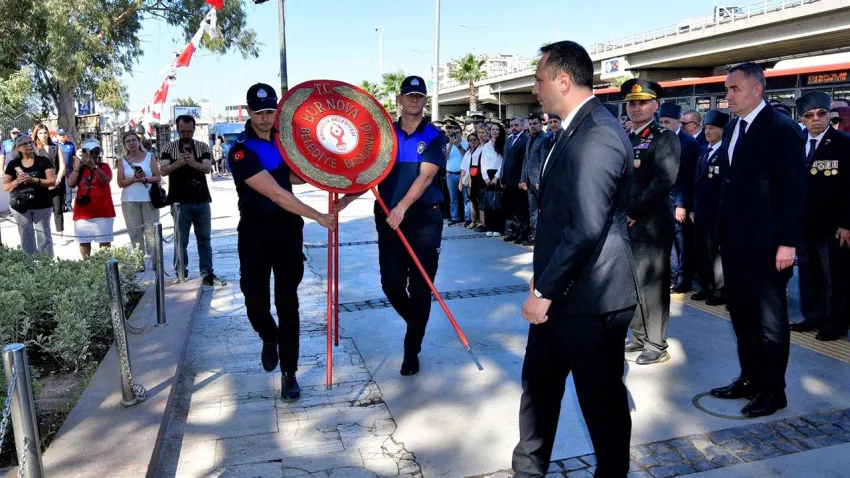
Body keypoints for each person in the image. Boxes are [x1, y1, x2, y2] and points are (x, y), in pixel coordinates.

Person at [512, 40, 638, 478]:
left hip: (592, 299)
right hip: (562, 290)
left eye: (539, 80)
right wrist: (543, 279)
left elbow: (585, 226)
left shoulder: (598, 134)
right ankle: (528, 471)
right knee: (538, 389)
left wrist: (546, 289)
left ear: (563, 81)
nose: (535, 89)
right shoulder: (570, 130)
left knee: (601, 404)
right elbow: (559, 217)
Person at [228, 83, 335, 401]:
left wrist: (330, 169)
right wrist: (319, 216)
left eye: (270, 112)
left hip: (288, 233)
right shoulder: (240, 150)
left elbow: (294, 176)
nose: (265, 118)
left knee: (288, 304)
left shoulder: (285, 142)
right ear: (249, 112)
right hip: (254, 235)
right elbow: (276, 193)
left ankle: (289, 373)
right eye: (259, 112)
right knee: (255, 303)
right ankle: (268, 335)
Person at [710, 62, 806, 418]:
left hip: (768, 245)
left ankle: (773, 390)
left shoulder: (781, 129)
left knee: (770, 321)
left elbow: (794, 190)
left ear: (757, 89)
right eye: (727, 89)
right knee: (741, 315)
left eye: (734, 88)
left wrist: (788, 243)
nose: (728, 95)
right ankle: (750, 378)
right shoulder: (733, 126)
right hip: (736, 241)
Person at [337, 75, 448, 376]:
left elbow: (426, 176)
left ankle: (412, 351)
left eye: (419, 96)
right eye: (409, 95)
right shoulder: (384, 136)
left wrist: (402, 207)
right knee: (391, 284)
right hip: (388, 218)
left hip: (424, 219)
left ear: (425, 100)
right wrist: (347, 199)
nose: (414, 100)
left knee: (421, 287)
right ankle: (417, 323)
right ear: (399, 99)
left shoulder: (435, 137)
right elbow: (371, 174)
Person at [621, 79, 681, 365]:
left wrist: (634, 211)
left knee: (652, 286)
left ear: (655, 106)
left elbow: (664, 179)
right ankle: (639, 336)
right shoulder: (627, 136)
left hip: (651, 223)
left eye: (643, 103)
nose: (636, 108)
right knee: (633, 283)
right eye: (632, 103)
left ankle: (656, 344)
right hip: (627, 222)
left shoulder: (664, 137)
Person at [789, 91, 850, 342]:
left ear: (829, 115)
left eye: (821, 113)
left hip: (833, 226)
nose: (816, 119)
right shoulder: (796, 142)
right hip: (804, 223)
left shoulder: (844, 143)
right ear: (801, 119)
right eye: (809, 115)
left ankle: (835, 324)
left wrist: (846, 224)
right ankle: (813, 316)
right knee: (809, 273)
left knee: (835, 276)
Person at [161, 115, 222, 286]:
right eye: (183, 131)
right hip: (179, 202)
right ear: (177, 130)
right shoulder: (169, 147)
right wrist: (178, 163)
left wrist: (193, 162)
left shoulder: (202, 147)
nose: (186, 135)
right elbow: (163, 170)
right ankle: (181, 272)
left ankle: (207, 273)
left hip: (201, 199)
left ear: (194, 130)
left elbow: (208, 168)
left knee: (204, 239)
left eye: (189, 131)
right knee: (181, 240)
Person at [690, 110, 730, 305]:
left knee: (717, 252)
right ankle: (706, 285)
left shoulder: (725, 152)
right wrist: (692, 208)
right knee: (702, 250)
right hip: (701, 210)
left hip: (718, 211)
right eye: (706, 128)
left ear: (722, 130)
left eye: (712, 128)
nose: (708, 132)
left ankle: (720, 289)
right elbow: (695, 183)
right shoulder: (703, 150)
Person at [659, 102, 699, 294]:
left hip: (679, 201)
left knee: (683, 243)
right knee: (667, 241)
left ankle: (684, 279)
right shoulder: (659, 139)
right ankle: (670, 276)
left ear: (677, 122)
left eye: (667, 122)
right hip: (662, 200)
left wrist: (682, 204)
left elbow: (688, 177)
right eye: (661, 122)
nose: (663, 125)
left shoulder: (688, 143)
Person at [2, 134, 56, 256]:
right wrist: (17, 181)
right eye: (25, 143)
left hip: (42, 204)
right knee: (26, 238)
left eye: (31, 142)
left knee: (44, 237)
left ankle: (46, 265)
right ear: (18, 148)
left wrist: (34, 180)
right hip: (20, 206)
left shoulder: (43, 161)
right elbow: (6, 186)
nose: (29, 145)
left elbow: (52, 181)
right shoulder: (13, 164)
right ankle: (29, 265)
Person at [117, 131, 161, 263]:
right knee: (135, 232)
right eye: (128, 141)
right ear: (124, 144)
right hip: (129, 200)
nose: (131, 143)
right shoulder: (122, 160)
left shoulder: (149, 156)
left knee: (151, 232)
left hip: (148, 199)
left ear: (138, 141)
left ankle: (156, 261)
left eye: (133, 140)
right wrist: (134, 179)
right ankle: (139, 262)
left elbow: (157, 177)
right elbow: (120, 182)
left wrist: (145, 179)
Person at [67, 139, 115, 258]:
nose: (93, 155)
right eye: (90, 152)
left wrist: (93, 166)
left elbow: (105, 180)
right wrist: (77, 168)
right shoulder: (79, 168)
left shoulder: (104, 166)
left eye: (96, 152)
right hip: (83, 211)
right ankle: (87, 263)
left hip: (103, 210)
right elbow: (70, 184)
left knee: (104, 241)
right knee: (84, 241)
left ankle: (104, 263)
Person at [519, 113, 550, 246]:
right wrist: (522, 179)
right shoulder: (529, 139)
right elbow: (526, 160)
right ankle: (534, 236)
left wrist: (540, 180)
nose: (532, 126)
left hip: (538, 182)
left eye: (535, 124)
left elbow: (544, 161)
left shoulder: (545, 138)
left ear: (541, 124)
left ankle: (542, 238)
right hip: (529, 182)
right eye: (530, 124)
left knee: (543, 211)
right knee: (533, 212)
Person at [32, 124, 65, 233]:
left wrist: (57, 180)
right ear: (36, 135)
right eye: (40, 133)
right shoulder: (35, 150)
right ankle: (45, 232)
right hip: (42, 184)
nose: (43, 135)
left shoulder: (56, 147)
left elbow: (62, 165)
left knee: (58, 209)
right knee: (43, 211)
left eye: (45, 133)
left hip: (56, 182)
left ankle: (60, 232)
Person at [502, 117, 530, 243]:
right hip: (508, 180)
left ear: (522, 126)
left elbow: (525, 161)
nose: (514, 127)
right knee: (512, 208)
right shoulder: (509, 139)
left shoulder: (525, 139)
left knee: (521, 208)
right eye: (512, 125)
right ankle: (515, 231)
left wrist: (522, 179)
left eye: (516, 125)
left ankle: (522, 233)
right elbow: (505, 160)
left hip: (518, 180)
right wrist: (502, 176)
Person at [481, 122, 506, 237]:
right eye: (493, 129)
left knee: (498, 203)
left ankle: (498, 228)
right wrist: (485, 177)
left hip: (498, 175)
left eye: (497, 129)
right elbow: (483, 163)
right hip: (487, 175)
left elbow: (502, 162)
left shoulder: (503, 144)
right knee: (488, 203)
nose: (495, 131)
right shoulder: (486, 146)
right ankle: (489, 226)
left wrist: (497, 177)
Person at [443, 119, 468, 226]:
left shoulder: (466, 143)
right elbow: (446, 157)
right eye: (454, 133)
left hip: (462, 174)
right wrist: (450, 144)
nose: (456, 135)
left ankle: (468, 218)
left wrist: (458, 145)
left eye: (458, 133)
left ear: (461, 133)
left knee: (466, 198)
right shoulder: (447, 145)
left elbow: (466, 156)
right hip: (450, 174)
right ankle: (455, 217)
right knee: (453, 199)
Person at [470, 125, 491, 231]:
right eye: (479, 133)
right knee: (476, 199)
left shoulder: (488, 145)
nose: (481, 135)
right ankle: (480, 221)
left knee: (483, 199)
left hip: (483, 175)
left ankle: (484, 223)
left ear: (487, 134)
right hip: (474, 176)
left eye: (483, 133)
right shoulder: (478, 146)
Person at [459, 132, 482, 229]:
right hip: (468, 179)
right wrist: (460, 181)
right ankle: (473, 221)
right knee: (472, 200)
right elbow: (463, 168)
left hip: (478, 179)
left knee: (479, 200)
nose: (472, 142)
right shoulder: (468, 152)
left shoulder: (481, 150)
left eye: (474, 139)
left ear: (478, 140)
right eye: (470, 140)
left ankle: (480, 222)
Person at [56, 129, 76, 211]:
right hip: (59, 170)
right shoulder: (55, 145)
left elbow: (74, 157)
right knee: (61, 188)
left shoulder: (70, 144)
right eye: (60, 135)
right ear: (57, 136)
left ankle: (68, 205)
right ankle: (62, 205)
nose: (62, 136)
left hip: (68, 169)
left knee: (68, 188)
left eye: (63, 134)